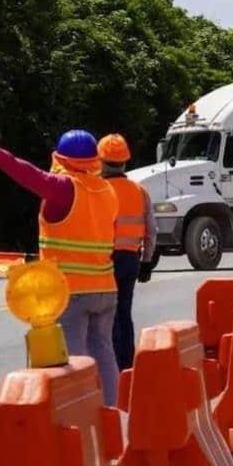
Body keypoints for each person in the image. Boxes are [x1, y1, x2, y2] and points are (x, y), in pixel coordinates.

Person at [0, 130, 120, 406]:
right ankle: (111, 413)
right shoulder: (107, 190)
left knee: (74, 361)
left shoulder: (64, 188)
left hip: (71, 292)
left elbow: (27, 174)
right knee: (103, 352)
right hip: (105, 288)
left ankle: (82, 418)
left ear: (61, 158)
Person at [97, 133, 156, 370]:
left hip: (106, 260)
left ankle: (113, 368)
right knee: (124, 311)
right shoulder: (139, 191)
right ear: (125, 161)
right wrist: (146, 262)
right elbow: (152, 230)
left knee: (107, 317)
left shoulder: (99, 190)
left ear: (100, 161)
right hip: (131, 259)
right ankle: (128, 366)